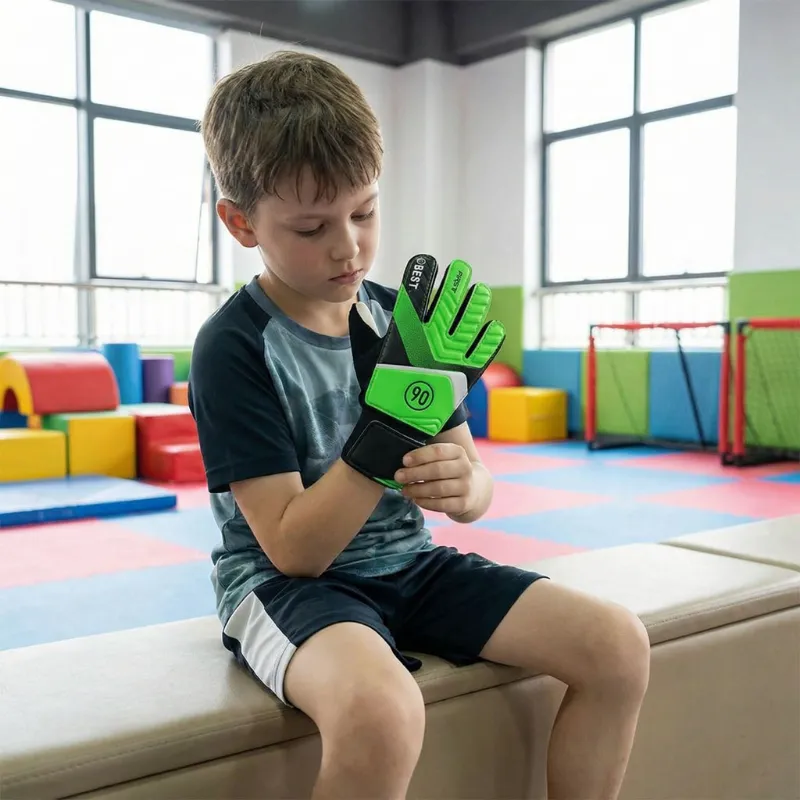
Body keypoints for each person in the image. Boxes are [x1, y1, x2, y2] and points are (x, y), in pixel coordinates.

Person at [189, 49, 651, 800]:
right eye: (311, 226)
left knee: (617, 644)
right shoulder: (234, 346)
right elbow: (295, 550)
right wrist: (388, 436)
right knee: (382, 712)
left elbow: (473, 484)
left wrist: (466, 486)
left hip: (411, 565)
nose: (347, 245)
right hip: (285, 589)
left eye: (364, 212)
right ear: (242, 222)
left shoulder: (399, 318)